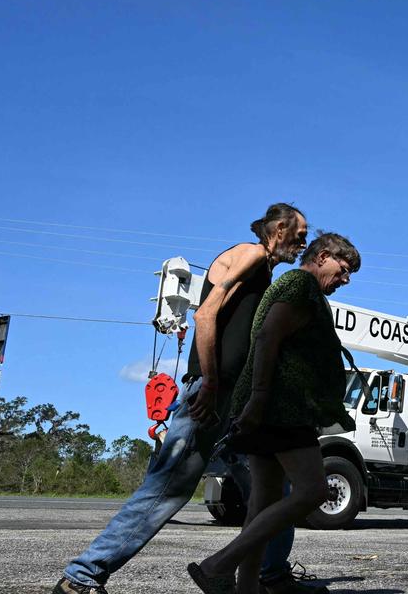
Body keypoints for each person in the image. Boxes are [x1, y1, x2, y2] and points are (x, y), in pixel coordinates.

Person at [55, 204, 323, 594]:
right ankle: (81, 577)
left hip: (233, 401)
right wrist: (210, 384)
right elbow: (205, 315)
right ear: (279, 228)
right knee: (167, 489)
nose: (302, 243)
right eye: (299, 234)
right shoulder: (251, 254)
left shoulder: (264, 271)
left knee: (274, 490)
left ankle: (273, 576)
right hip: (212, 396)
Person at [188, 232, 360, 594]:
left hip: (269, 407)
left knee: (261, 506)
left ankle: (247, 588)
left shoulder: (298, 288)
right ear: (323, 256)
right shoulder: (300, 284)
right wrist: (260, 399)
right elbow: (268, 338)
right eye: (343, 270)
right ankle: (218, 564)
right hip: (282, 407)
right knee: (313, 491)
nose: (345, 280)